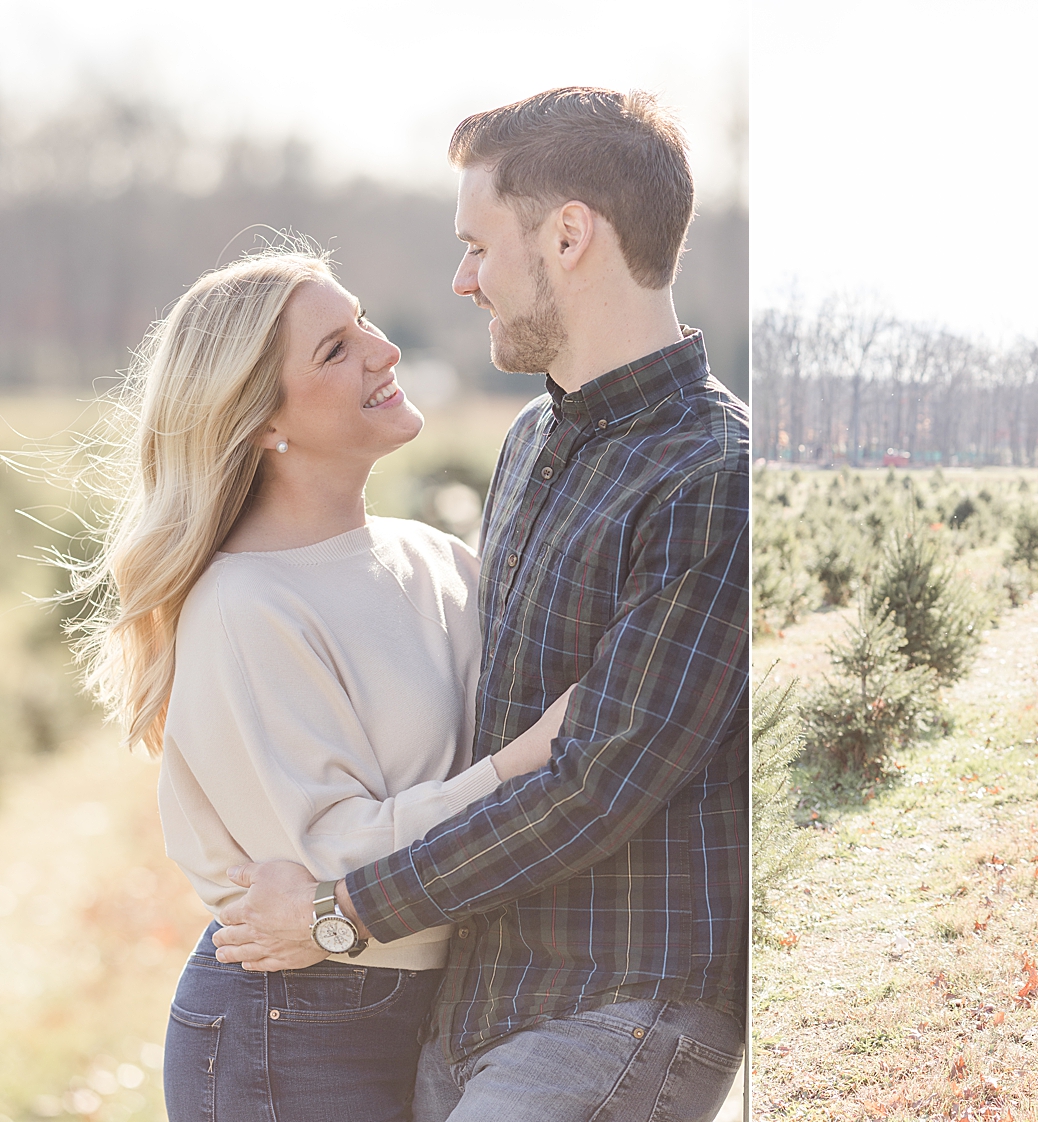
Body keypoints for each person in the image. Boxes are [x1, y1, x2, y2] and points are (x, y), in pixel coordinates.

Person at [210, 87, 750, 1122]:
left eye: (477, 246)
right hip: (478, 1002)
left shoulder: (711, 477)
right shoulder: (535, 442)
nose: (462, 280)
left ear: (568, 234)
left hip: (619, 1006)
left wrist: (338, 915)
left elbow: (596, 784)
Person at [69, 248, 572, 1120]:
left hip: (435, 1005)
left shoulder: (434, 556)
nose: (384, 351)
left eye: (364, 322)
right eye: (335, 350)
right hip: (292, 1031)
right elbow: (327, 863)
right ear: (263, 421)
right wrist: (518, 767)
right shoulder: (244, 605)